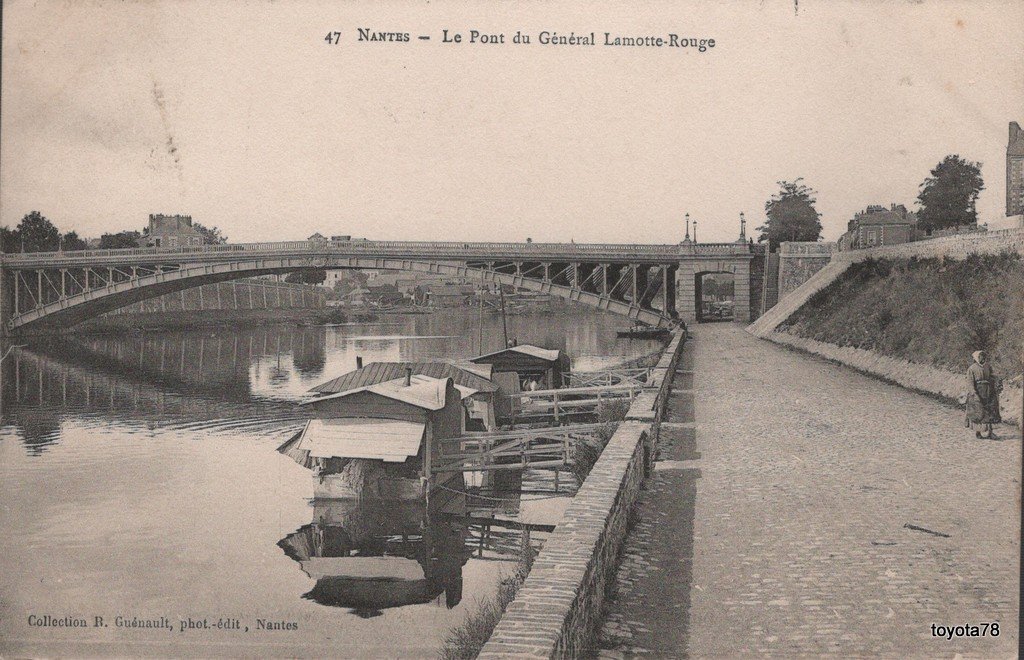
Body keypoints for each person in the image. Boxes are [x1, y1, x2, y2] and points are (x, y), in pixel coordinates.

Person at [966, 350, 1002, 439]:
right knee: (979, 412)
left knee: (990, 410)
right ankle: (978, 432)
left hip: (989, 391)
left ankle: (990, 432)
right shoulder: (972, 368)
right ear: (976, 358)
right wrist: (974, 393)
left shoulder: (988, 366)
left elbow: (992, 377)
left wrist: (997, 383)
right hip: (979, 391)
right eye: (981, 356)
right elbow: (970, 382)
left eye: (984, 356)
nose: (983, 358)